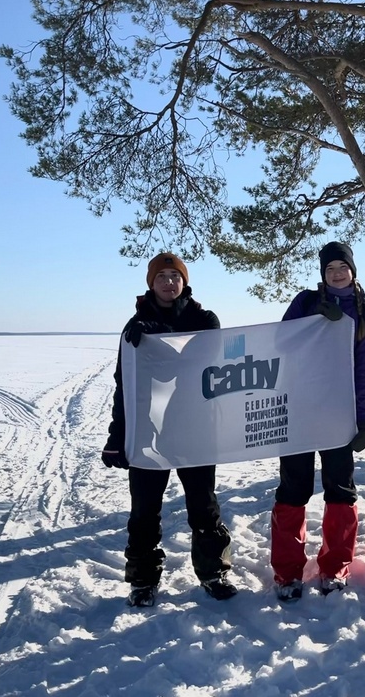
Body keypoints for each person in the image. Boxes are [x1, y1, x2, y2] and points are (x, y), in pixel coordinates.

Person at [101, 252, 237, 607]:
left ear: (184, 281)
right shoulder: (134, 328)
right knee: (145, 509)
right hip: (150, 431)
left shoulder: (204, 318)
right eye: (161, 276)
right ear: (151, 283)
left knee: (203, 506)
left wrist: (161, 335)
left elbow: (208, 357)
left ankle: (213, 571)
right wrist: (118, 436)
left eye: (174, 276)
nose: (168, 282)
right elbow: (124, 386)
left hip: (196, 428)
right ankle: (143, 579)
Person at [269, 241, 365, 601]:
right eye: (330, 268)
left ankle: (334, 566)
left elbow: (364, 370)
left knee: (340, 490)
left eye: (342, 268)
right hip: (299, 408)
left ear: (352, 271)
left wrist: (362, 418)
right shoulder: (304, 301)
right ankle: (287, 573)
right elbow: (280, 343)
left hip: (338, 412)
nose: (337, 274)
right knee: (293, 489)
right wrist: (315, 315)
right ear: (322, 274)